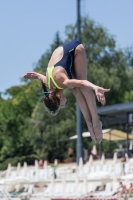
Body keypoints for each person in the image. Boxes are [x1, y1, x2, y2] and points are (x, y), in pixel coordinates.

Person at [23, 40, 110, 143]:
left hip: (75, 48)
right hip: (63, 54)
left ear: (59, 97)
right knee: (75, 90)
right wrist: (36, 75)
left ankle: (95, 121)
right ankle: (89, 123)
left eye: (61, 106)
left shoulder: (63, 82)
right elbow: (41, 77)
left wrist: (95, 87)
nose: (63, 106)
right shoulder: (49, 85)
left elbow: (82, 82)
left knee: (82, 89)